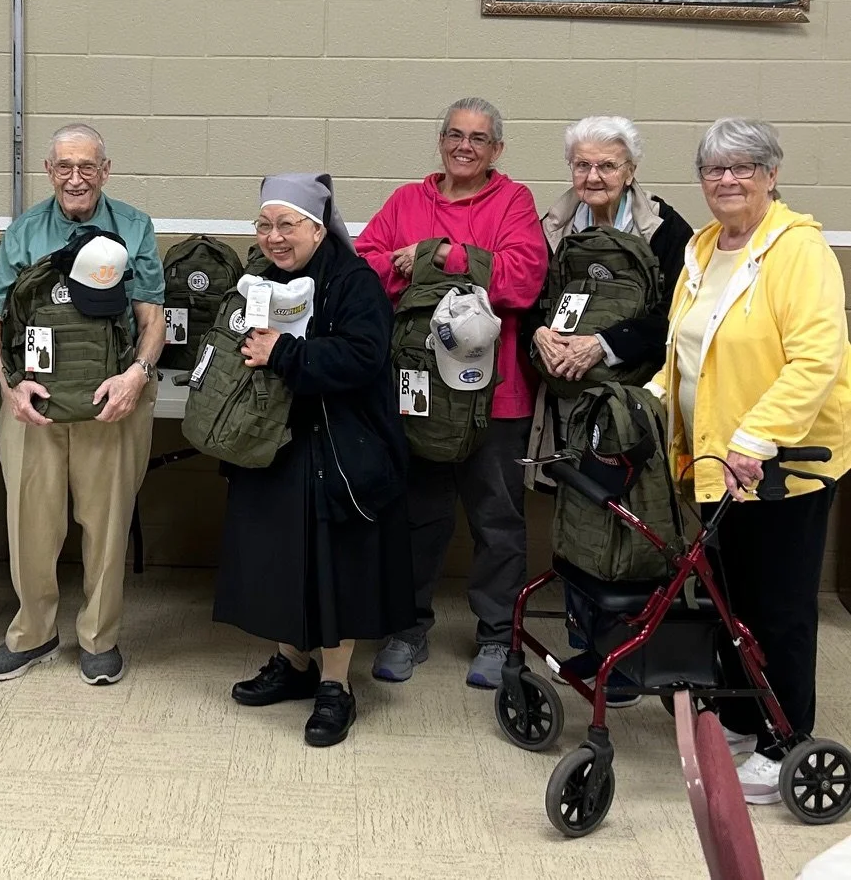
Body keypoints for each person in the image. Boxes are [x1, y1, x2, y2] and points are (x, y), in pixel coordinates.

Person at [646, 117, 851, 804]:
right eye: (713, 169)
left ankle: (785, 738)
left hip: (779, 462)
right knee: (729, 603)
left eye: (742, 168)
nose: (725, 180)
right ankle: (740, 715)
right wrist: (650, 402)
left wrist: (757, 436)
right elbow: (688, 348)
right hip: (712, 459)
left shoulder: (798, 250)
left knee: (778, 607)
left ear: (770, 175)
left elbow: (815, 359)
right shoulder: (704, 246)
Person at [355, 97, 548, 689]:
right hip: (416, 392)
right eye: (455, 135)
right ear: (440, 141)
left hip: (497, 395)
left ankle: (496, 637)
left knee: (497, 521)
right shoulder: (407, 201)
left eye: (480, 139)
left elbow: (522, 279)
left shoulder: (514, 202)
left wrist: (438, 256)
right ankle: (408, 627)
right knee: (416, 516)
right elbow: (367, 268)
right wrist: (440, 268)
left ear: (497, 150)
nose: (466, 146)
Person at [215, 173, 412, 748]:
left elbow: (364, 357)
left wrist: (284, 352)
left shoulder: (354, 282)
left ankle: (335, 685)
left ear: (318, 228)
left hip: (339, 445)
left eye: (287, 226)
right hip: (274, 443)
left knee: (334, 565)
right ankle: (291, 662)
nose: (274, 238)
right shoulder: (261, 280)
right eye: (264, 225)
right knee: (281, 557)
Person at [0, 123, 164, 686]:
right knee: (30, 521)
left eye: (88, 167)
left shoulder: (134, 227)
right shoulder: (25, 232)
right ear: (48, 170)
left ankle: (99, 638)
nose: (76, 178)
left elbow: (151, 316)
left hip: (112, 399)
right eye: (65, 167)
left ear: (105, 171)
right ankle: (33, 633)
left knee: (106, 523)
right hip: (35, 399)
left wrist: (136, 375)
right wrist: (10, 384)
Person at [526, 115, 694, 705]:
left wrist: (603, 343)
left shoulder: (666, 228)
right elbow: (531, 298)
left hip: (631, 408)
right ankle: (589, 644)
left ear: (631, 170)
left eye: (607, 165)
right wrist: (542, 333)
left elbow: (678, 317)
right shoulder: (550, 224)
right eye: (582, 165)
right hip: (567, 403)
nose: (593, 176)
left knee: (629, 521)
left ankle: (629, 653)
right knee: (576, 513)